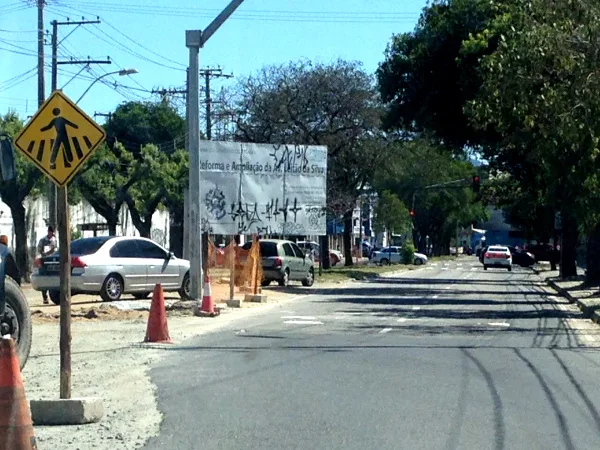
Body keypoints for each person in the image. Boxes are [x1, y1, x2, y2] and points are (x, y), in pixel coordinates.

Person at [37, 226, 57, 304]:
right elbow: (39, 250)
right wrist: (44, 254)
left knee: (53, 279)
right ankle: (45, 297)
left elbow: (56, 249)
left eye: (52, 232)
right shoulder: (42, 240)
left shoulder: (54, 241)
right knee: (44, 279)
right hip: (44, 261)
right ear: (48, 232)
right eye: (50, 232)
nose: (51, 234)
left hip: (53, 262)